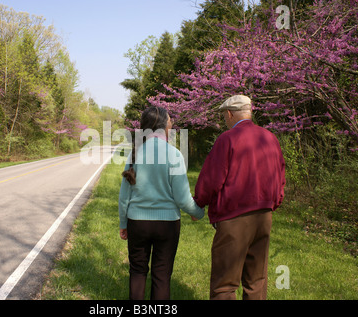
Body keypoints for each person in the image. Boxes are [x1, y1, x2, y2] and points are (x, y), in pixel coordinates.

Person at [193, 95, 286, 300]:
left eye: (224, 116)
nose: (224, 120)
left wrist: (198, 203)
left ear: (229, 113)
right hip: (264, 216)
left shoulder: (228, 139)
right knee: (256, 281)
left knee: (225, 283)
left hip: (234, 217)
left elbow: (212, 178)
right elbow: (280, 176)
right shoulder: (270, 138)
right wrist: (273, 204)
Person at [119, 106, 205, 300]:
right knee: (162, 276)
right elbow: (182, 198)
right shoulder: (174, 155)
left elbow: (124, 196)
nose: (172, 125)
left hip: (137, 223)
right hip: (167, 225)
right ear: (163, 126)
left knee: (137, 272)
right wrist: (198, 212)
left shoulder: (134, 154)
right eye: (170, 122)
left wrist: (123, 223)